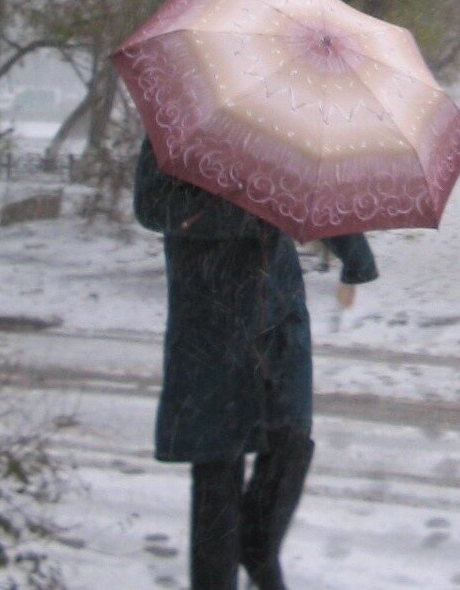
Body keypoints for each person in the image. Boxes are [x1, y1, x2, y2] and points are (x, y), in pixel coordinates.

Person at [133, 137, 377, 590]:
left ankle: (259, 549)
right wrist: (241, 212)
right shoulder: (181, 122)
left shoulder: (280, 121)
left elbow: (311, 189)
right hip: (211, 318)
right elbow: (152, 204)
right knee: (217, 474)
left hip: (277, 311)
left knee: (290, 438)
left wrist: (352, 248)